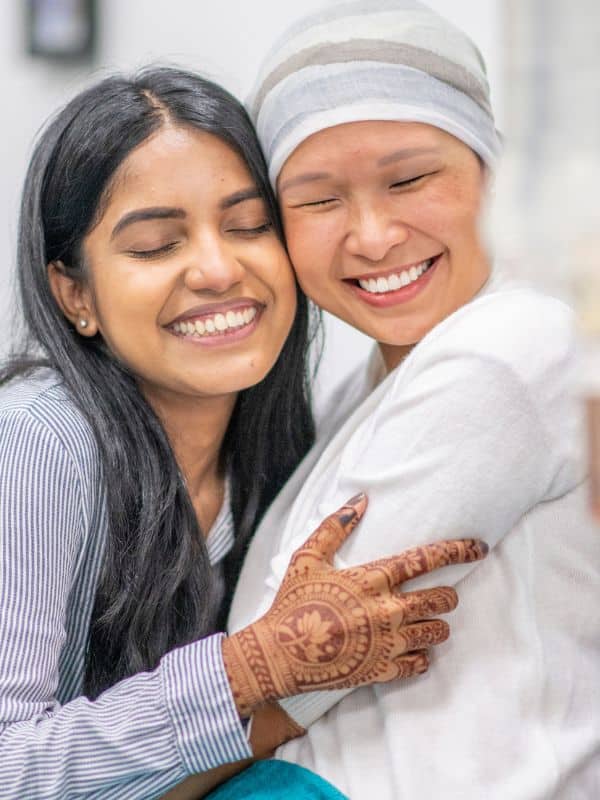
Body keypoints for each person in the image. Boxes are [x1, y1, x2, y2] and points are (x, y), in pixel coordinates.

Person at [0, 67, 487, 800]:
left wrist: (284, 688)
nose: (218, 268)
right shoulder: (35, 440)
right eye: (157, 244)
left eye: (250, 226)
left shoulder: (283, 444)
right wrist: (251, 669)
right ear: (76, 294)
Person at [229, 2, 600, 798]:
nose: (370, 236)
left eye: (410, 179)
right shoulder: (360, 379)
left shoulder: (508, 353)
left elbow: (288, 673)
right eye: (319, 200)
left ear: (493, 170)